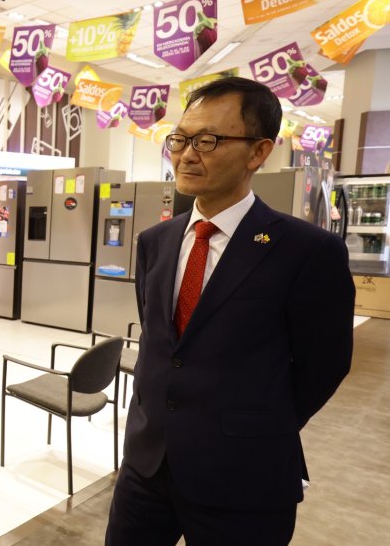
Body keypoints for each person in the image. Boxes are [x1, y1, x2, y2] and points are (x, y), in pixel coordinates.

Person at [105, 77, 354, 545]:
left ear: (259, 152)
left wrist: (253, 425)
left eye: (208, 140)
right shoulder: (155, 241)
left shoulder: (305, 251)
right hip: (146, 464)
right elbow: (163, 344)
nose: (186, 154)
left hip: (243, 476)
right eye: (179, 140)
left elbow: (325, 365)